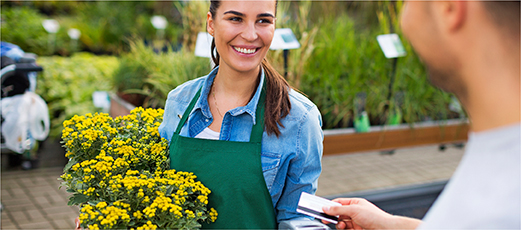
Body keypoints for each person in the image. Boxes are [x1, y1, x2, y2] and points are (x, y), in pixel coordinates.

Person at [322, 1, 520, 229]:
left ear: (449, 7)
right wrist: (391, 224)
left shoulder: (499, 210)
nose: (403, 21)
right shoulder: (503, 169)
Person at [158, 0, 323, 229]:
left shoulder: (300, 119)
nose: (250, 34)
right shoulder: (179, 102)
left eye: (263, 21)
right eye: (236, 19)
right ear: (211, 23)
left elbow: (299, 217)